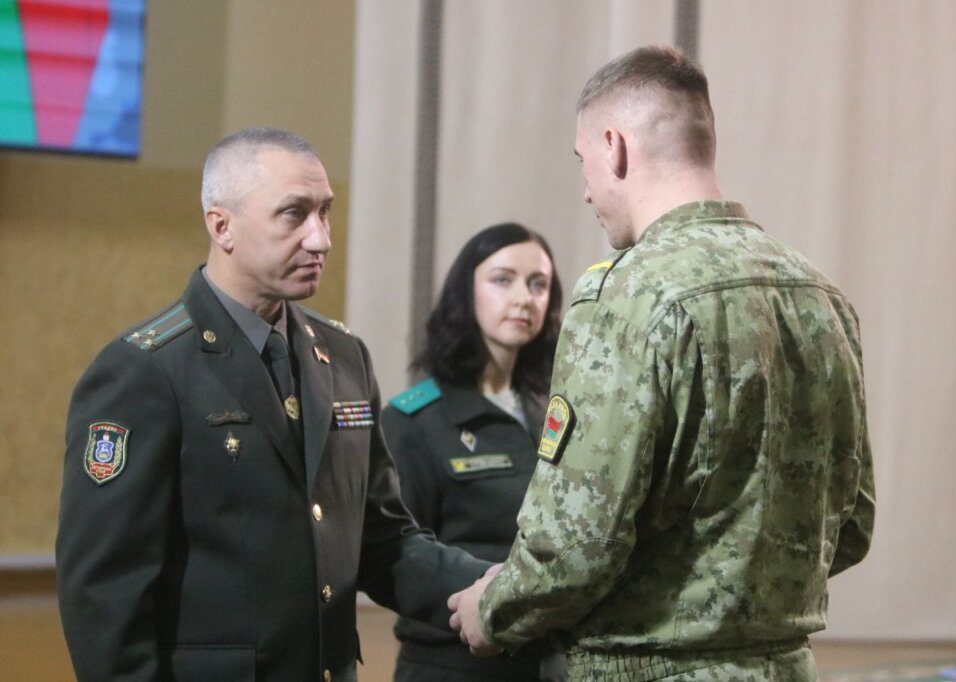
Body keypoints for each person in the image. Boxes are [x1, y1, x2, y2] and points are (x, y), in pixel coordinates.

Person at [448, 45, 876, 681]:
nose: (586, 191)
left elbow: (577, 541)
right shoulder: (821, 296)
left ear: (615, 148)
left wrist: (493, 610)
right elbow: (852, 523)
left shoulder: (624, 295)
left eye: (583, 162)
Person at [55, 127, 490, 682]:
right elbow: (104, 593)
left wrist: (497, 587)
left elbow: (381, 541)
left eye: (325, 212)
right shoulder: (145, 371)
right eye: (294, 214)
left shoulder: (343, 356)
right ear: (222, 226)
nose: (320, 239)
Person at [381, 223, 565, 681]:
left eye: (538, 284)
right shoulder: (415, 421)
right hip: (454, 664)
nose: (523, 298)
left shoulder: (557, 411)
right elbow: (396, 555)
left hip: (546, 662)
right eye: (503, 280)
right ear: (466, 293)